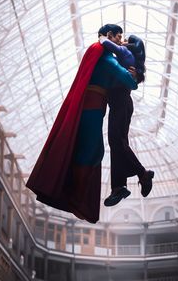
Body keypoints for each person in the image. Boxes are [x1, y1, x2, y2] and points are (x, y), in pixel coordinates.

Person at [26, 39, 138, 224]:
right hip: (93, 107)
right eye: (118, 36)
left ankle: (76, 194)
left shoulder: (98, 55)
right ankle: (76, 195)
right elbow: (128, 80)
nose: (120, 41)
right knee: (92, 150)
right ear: (109, 35)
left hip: (94, 107)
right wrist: (132, 77)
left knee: (93, 150)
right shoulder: (105, 56)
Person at [98, 24, 154, 207]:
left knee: (116, 141)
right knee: (117, 143)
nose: (121, 40)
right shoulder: (124, 55)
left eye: (123, 38)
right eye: (120, 36)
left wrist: (103, 38)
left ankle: (142, 174)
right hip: (120, 102)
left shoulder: (122, 51)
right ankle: (118, 187)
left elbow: (106, 43)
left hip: (121, 100)